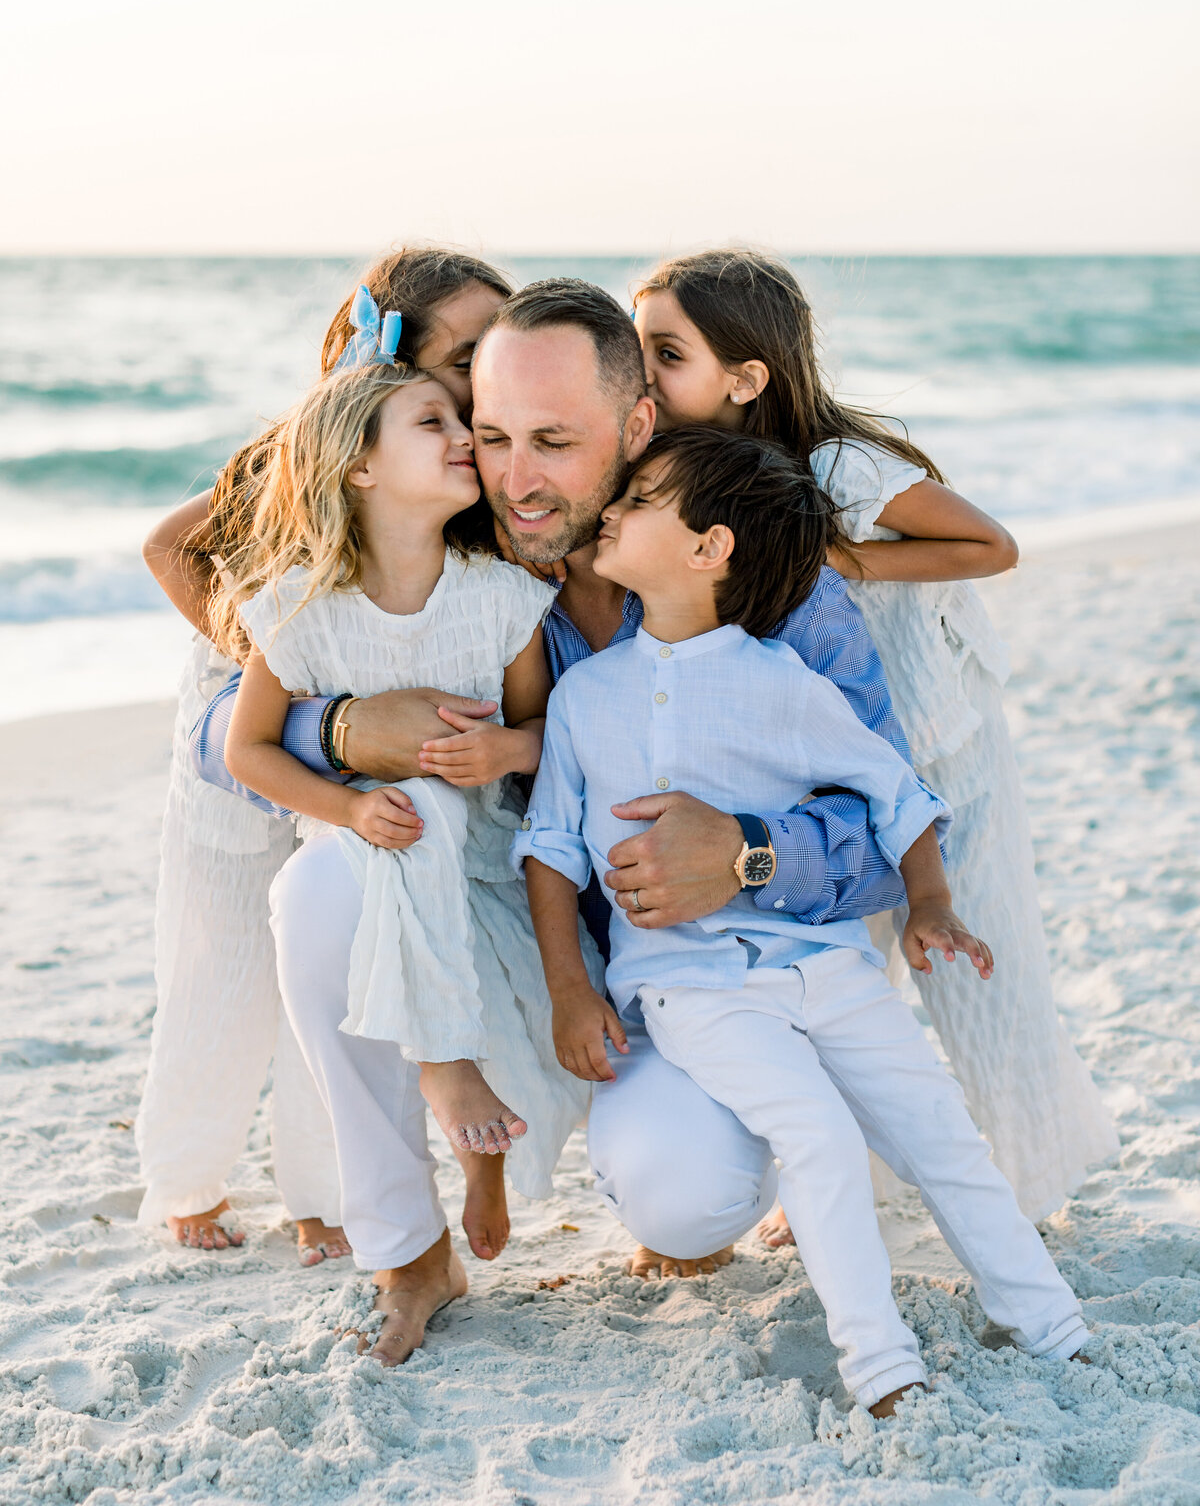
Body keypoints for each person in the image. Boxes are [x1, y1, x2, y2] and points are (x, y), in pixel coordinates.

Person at [203, 278, 937, 1294]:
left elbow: (884, 822)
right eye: (493, 436)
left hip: (698, 968)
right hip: (513, 939)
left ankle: (764, 1131)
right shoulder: (455, 549)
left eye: (554, 442)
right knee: (322, 890)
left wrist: (746, 853)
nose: (516, 479)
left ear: (638, 423)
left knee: (685, 1201)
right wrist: (340, 727)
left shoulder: (759, 573)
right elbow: (221, 738)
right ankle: (408, 1251)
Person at [516, 425, 1090, 1418]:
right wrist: (571, 986)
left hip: (827, 967)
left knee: (941, 1134)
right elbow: (551, 848)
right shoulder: (583, 696)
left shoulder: (780, 679)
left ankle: (1053, 1328)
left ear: (710, 549)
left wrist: (931, 903)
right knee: (818, 1135)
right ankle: (881, 1369)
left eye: (641, 498)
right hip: (689, 984)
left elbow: (892, 787)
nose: (610, 509)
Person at [632, 249, 1119, 1225]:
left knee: (979, 976)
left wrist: (838, 552)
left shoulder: (836, 468)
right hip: (833, 766)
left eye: (665, 351)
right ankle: (852, 1182)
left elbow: (993, 545)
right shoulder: (696, 475)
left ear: (746, 377)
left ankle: (1030, 1188)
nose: (641, 371)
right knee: (842, 979)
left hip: (944, 755)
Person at [137, 246, 511, 1258]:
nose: (491, 369)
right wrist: (264, 653)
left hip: (348, 725)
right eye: (470, 352)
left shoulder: (459, 454)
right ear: (398, 356)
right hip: (244, 718)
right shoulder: (313, 442)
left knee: (327, 958)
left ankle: (322, 1195)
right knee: (219, 958)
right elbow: (171, 546)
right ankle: (187, 1178)